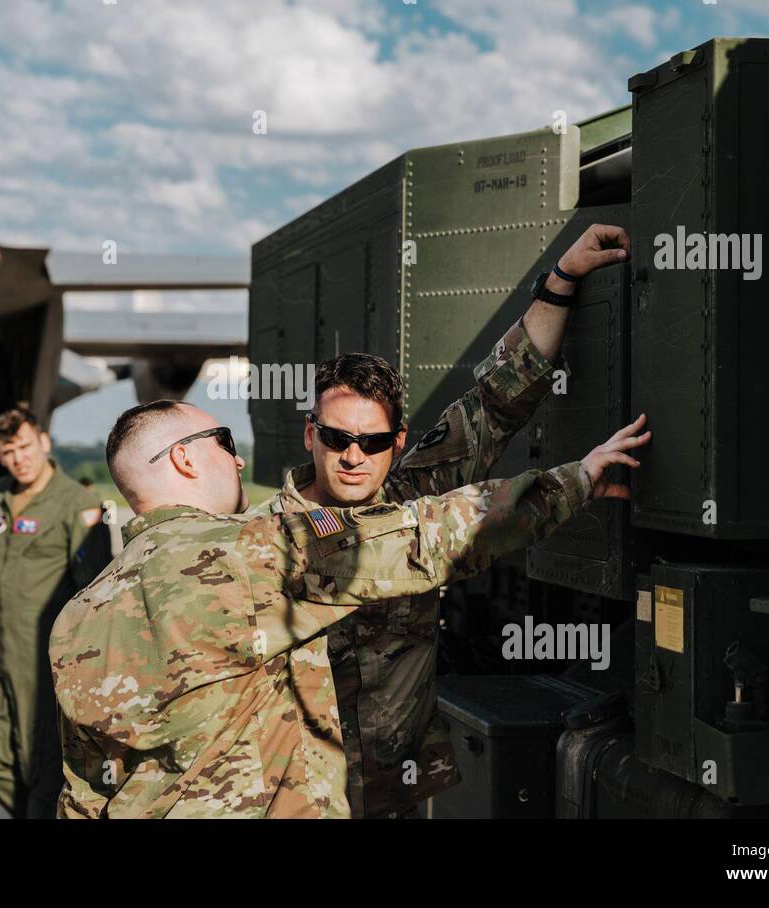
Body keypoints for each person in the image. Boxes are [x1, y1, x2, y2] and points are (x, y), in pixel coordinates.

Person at [48, 399, 649, 817]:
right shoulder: (249, 553)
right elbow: (424, 536)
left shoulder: (77, 615)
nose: (236, 460)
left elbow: (85, 786)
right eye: (224, 443)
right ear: (183, 459)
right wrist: (577, 480)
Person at [255, 223, 631, 817]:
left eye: (373, 441)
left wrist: (562, 279)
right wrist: (575, 482)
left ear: (396, 440)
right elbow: (453, 531)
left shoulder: (406, 491)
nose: (354, 455)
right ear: (311, 434)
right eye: (336, 437)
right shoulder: (264, 542)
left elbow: (496, 399)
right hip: (296, 800)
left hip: (389, 792)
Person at [0, 404, 110, 818]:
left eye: (26, 447)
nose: (19, 459)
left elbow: (93, 588)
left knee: (41, 754)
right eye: (9, 452)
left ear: (44, 443)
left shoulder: (77, 503)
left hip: (44, 653)